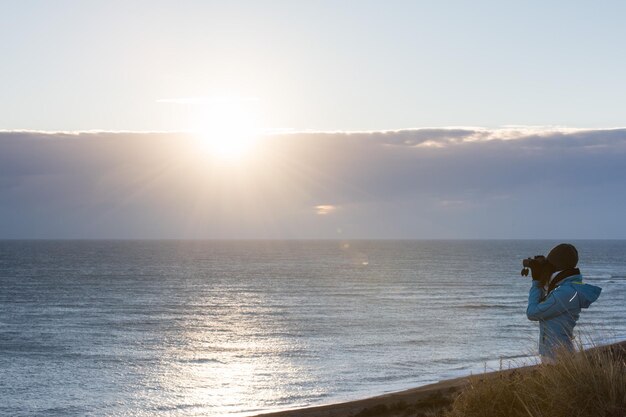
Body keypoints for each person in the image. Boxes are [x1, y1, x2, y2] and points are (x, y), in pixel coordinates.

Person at [525, 243, 602, 361]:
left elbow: (532, 313)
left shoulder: (565, 293)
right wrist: (540, 278)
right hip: (556, 353)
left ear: (556, 267)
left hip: (558, 356)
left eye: (549, 264)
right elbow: (544, 303)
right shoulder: (564, 288)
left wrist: (536, 282)